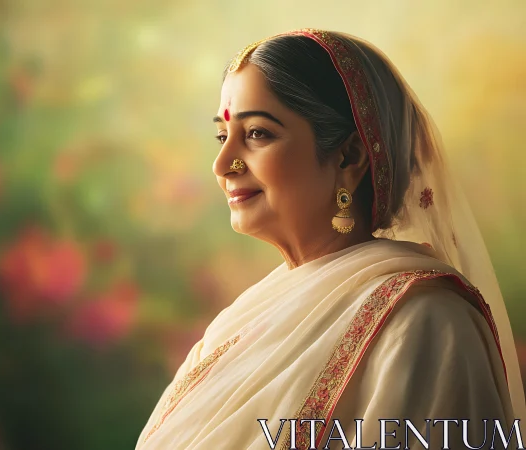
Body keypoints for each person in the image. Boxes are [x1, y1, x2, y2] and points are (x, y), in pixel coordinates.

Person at [135, 29, 526, 450]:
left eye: (257, 134)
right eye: (222, 136)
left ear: (349, 156)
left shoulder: (425, 322)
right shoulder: (237, 323)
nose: (222, 164)